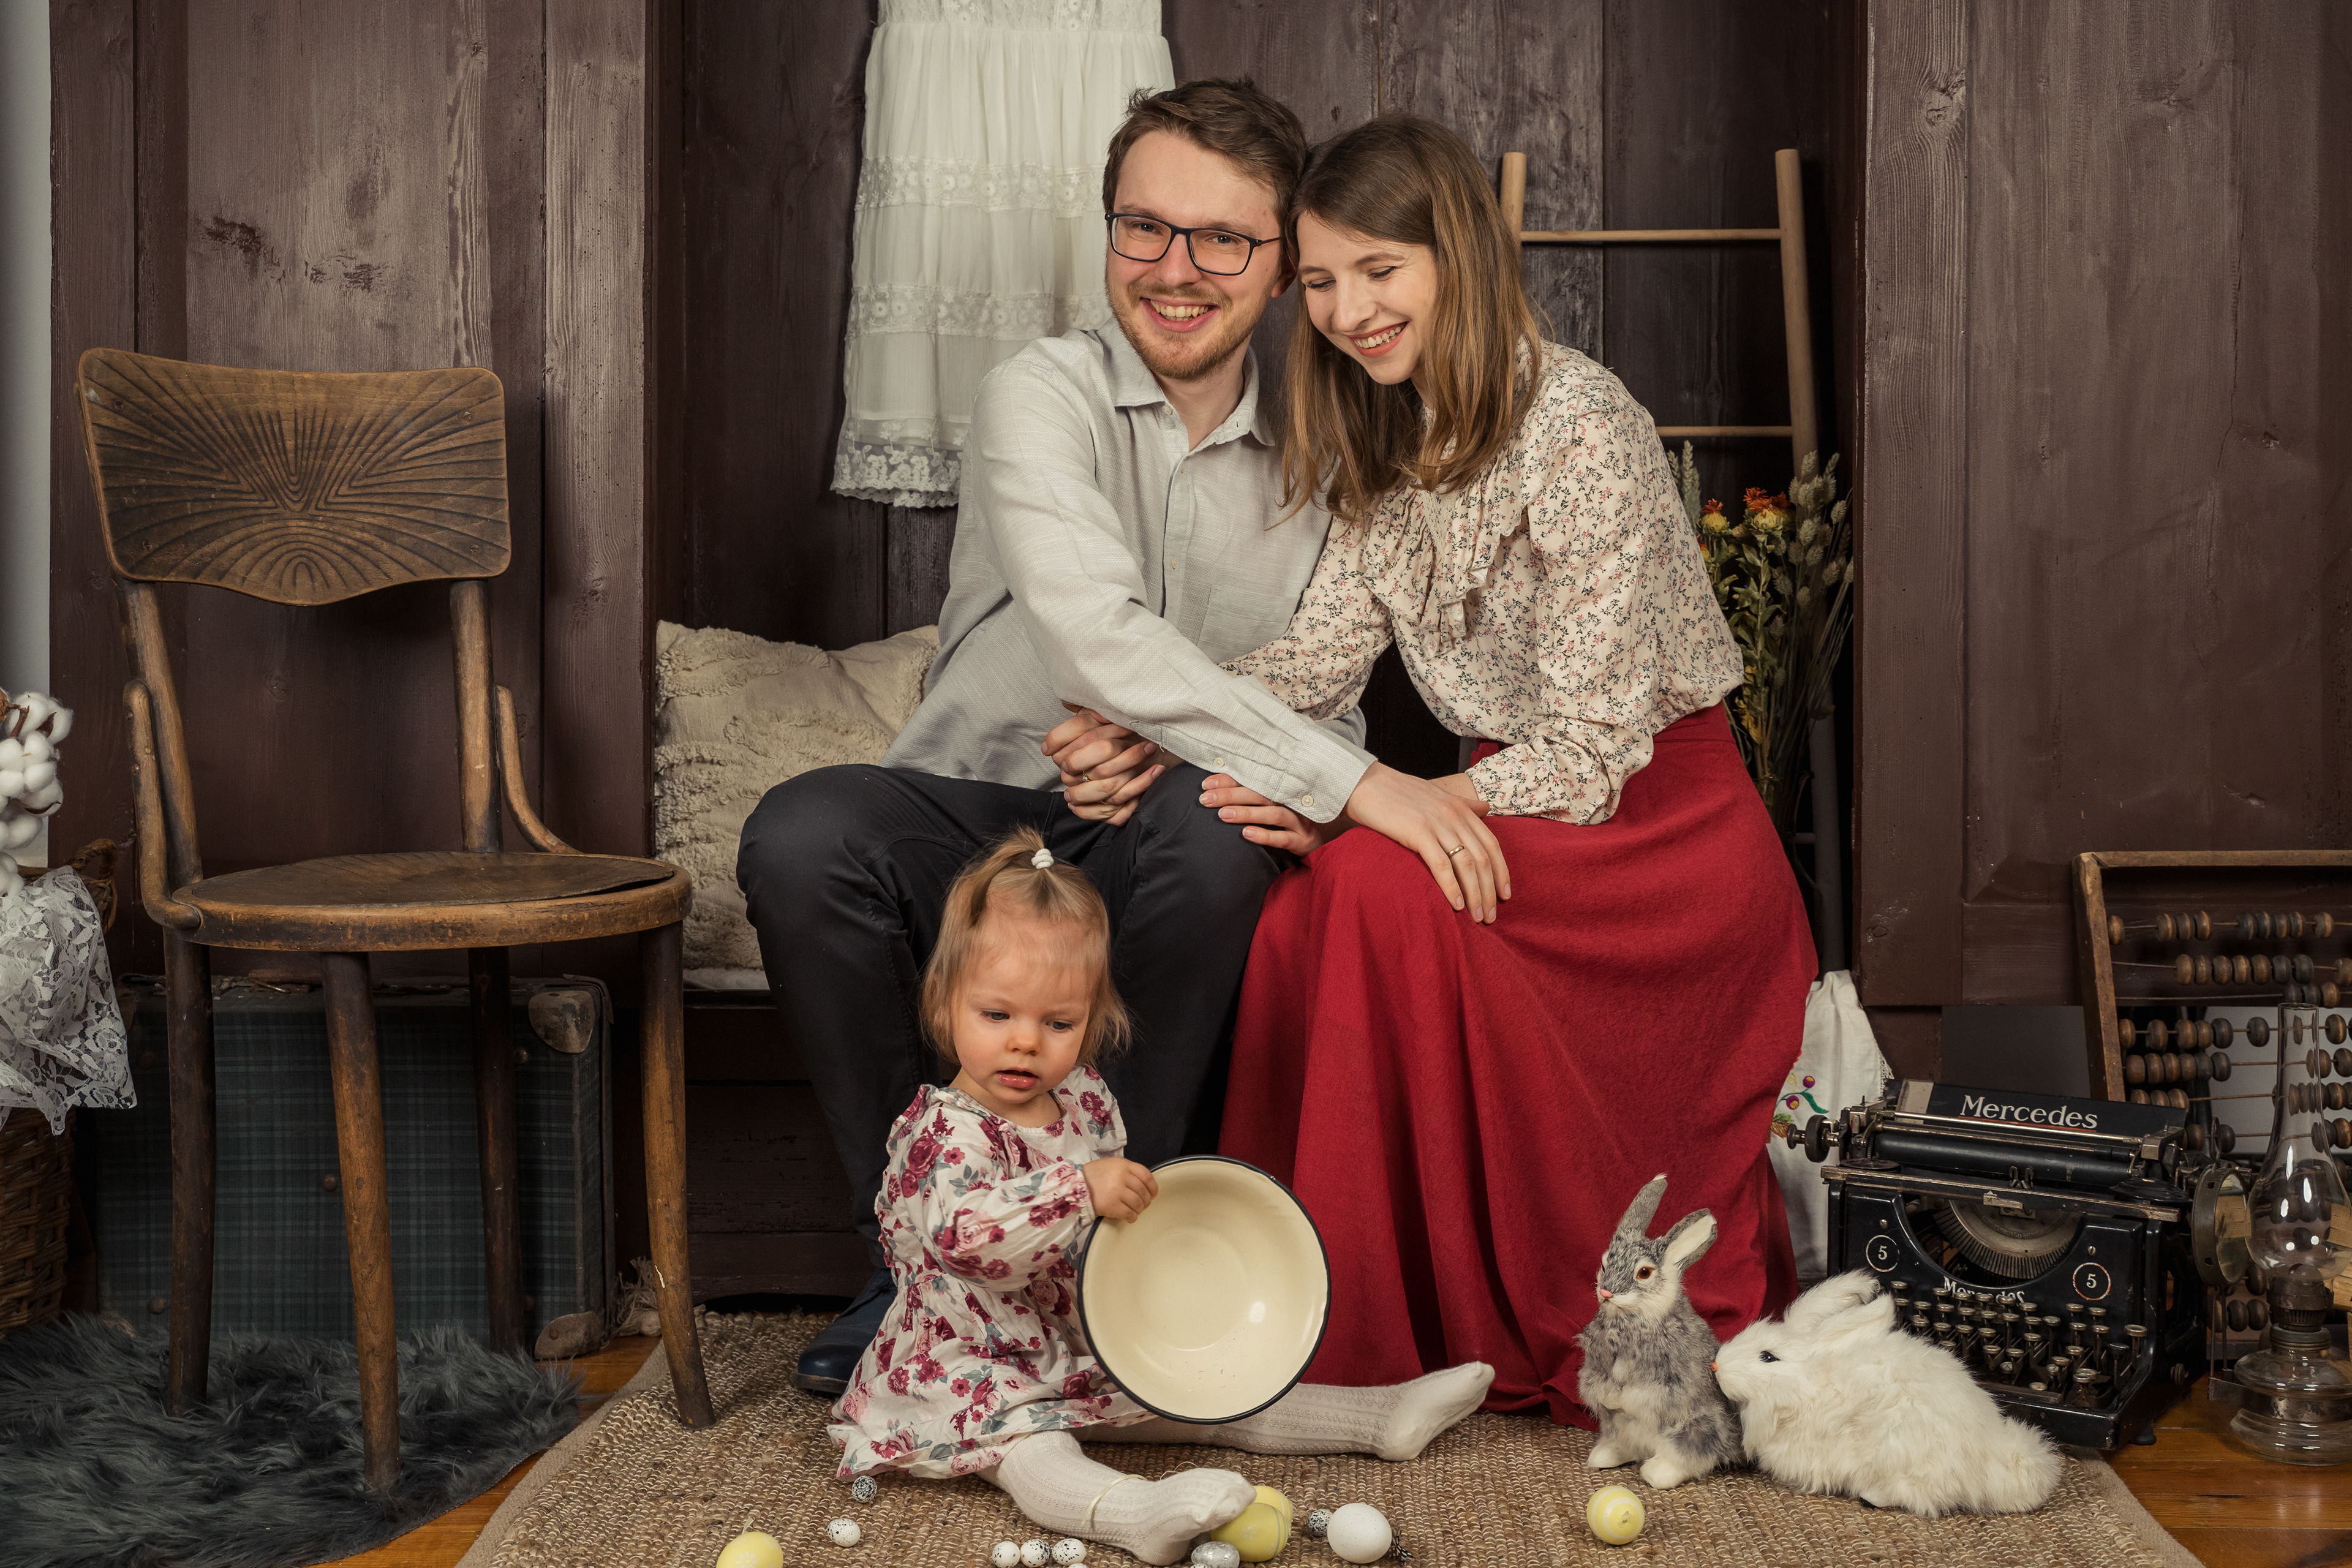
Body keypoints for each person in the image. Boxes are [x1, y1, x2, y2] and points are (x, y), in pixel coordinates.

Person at [737, 79, 1381, 1397]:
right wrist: (1265, 747)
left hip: (1166, 838)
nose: (1175, 269)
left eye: (1223, 239)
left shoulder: (1335, 445)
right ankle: (918, 1264)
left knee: (1219, 826)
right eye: (1145, 226)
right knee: (800, 835)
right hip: (983, 816)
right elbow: (1094, 631)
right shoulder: (1037, 393)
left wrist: (1239, 761)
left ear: (1282, 269)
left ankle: (1111, 1273)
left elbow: (1336, 674)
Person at [1188, 115, 1815, 1424]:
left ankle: (1372, 1335)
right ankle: (1313, 1319)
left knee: (1365, 883)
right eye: (1321, 282)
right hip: (1509, 814)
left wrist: (1372, 807)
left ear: (1457, 256)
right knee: (1309, 905)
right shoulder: (1384, 440)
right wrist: (1152, 711)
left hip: (1656, 842)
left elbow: (1591, 749)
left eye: (1380, 270)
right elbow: (1315, 661)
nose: (1349, 311)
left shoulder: (1580, 421)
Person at [827, 829, 1491, 1566]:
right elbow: (966, 1239)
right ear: (946, 1002)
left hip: (1068, 1335)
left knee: (1196, 1391)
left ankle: (1377, 1416)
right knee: (1032, 1447)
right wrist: (1081, 1190)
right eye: (997, 1015)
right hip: (969, 1358)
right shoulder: (944, 1132)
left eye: (1058, 1022)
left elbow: (1105, 1226)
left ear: (1092, 1018)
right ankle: (1134, 1513)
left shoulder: (1080, 1097)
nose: (1026, 1043)